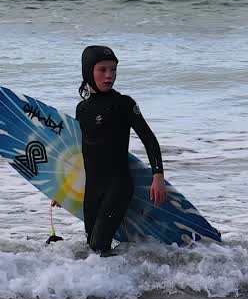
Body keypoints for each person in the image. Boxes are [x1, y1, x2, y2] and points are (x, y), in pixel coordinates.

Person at [55, 45, 167, 255]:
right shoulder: (83, 109)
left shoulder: (124, 104)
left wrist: (158, 175)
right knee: (92, 247)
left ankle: (123, 283)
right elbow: (82, 152)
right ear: (89, 71)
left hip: (118, 186)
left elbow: (149, 139)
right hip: (92, 189)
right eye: (102, 70)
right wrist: (63, 189)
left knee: (98, 246)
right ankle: (112, 282)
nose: (109, 76)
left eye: (113, 70)